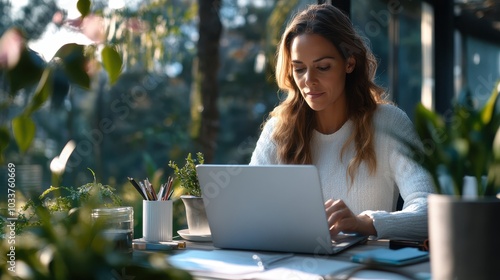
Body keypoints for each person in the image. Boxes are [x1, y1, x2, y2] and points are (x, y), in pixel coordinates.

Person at [249, 4, 434, 240]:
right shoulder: (279, 129)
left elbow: (430, 212)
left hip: (361, 272)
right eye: (299, 69)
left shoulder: (389, 124)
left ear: (349, 63)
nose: (309, 81)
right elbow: (249, 209)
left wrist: (365, 222)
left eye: (323, 67)